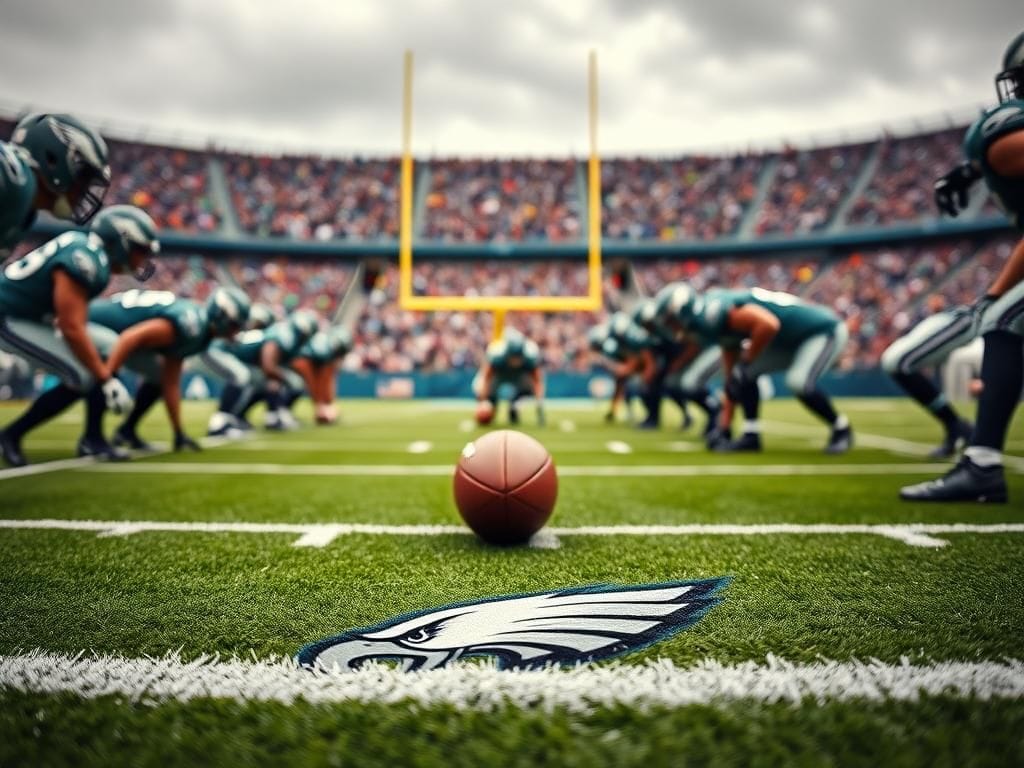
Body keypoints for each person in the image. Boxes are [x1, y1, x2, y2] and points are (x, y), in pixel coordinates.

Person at [901, 31, 1024, 503]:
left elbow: (1002, 144)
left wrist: (980, 161)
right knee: (1001, 314)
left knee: (1005, 320)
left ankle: (984, 464)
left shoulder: (1002, 132)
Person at [0, 206, 160, 466]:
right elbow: (71, 327)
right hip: (10, 317)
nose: (142, 259)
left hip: (33, 318)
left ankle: (93, 438)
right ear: (121, 240)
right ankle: (10, 435)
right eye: (140, 250)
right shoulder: (85, 258)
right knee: (83, 376)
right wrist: (106, 380)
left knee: (111, 346)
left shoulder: (90, 253)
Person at [657, 282, 852, 453]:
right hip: (787, 340)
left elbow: (768, 324)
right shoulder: (710, 322)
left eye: (671, 320)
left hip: (821, 330)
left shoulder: (713, 313)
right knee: (743, 375)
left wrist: (745, 361)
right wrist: (724, 427)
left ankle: (841, 428)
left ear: (682, 310)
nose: (672, 328)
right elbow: (731, 378)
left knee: (798, 382)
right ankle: (751, 435)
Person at [85, 286, 251, 451]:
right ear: (221, 315)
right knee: (97, 370)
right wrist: (108, 378)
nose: (235, 332)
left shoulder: (199, 333)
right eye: (234, 325)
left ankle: (126, 431)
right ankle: (93, 438)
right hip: (89, 323)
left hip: (114, 334)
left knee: (159, 376)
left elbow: (170, 381)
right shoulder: (192, 324)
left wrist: (179, 433)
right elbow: (129, 338)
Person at [879, 294, 975, 458]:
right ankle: (956, 425)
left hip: (966, 317)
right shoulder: (933, 319)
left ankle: (961, 428)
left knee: (896, 362)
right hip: (954, 318)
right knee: (895, 362)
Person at [1, 112, 111, 254]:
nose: (84, 192)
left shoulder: (25, 213)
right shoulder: (11, 177)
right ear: (52, 160)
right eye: (83, 178)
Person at [201, 309, 320, 436]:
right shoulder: (284, 335)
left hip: (235, 355)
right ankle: (219, 424)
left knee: (265, 384)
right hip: (220, 350)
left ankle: (242, 418)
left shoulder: (285, 334)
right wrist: (285, 378)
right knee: (242, 376)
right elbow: (268, 366)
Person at [473, 329, 545, 426]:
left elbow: (537, 381)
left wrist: (539, 406)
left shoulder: (530, 354)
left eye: (518, 357)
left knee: (528, 388)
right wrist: (484, 400)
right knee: (483, 397)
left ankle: (514, 406)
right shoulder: (497, 354)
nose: (515, 361)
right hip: (499, 375)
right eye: (513, 357)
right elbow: (486, 378)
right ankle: (492, 405)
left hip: (520, 376)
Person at [289, 325, 353, 425]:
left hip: (294, 362)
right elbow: (320, 382)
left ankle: (323, 408)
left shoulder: (323, 344)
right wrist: (321, 406)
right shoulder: (325, 352)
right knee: (298, 386)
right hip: (294, 364)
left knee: (301, 386)